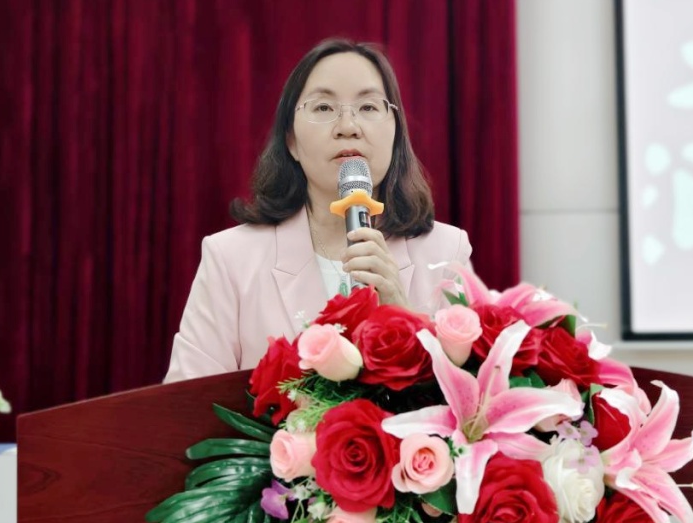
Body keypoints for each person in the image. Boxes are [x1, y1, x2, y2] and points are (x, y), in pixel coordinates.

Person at [163, 38, 472, 381]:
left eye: (368, 107)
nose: (348, 127)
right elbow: (187, 403)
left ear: (395, 132)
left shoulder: (447, 254)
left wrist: (401, 313)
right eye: (324, 108)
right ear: (291, 141)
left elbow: (474, 399)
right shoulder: (231, 259)